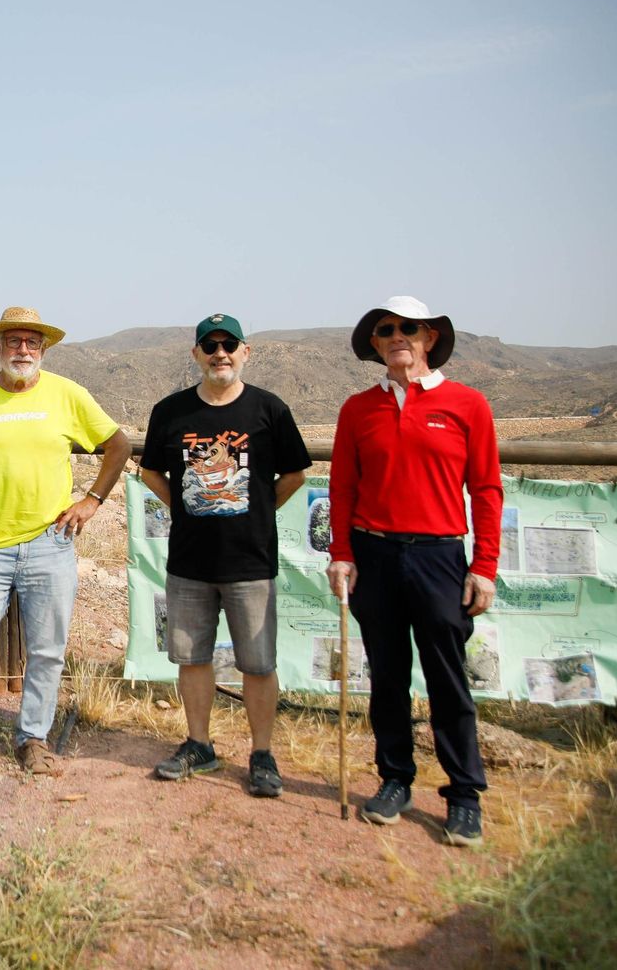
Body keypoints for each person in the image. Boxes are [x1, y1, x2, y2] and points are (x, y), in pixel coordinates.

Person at [0, 307, 132, 785]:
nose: (23, 350)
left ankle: (32, 739)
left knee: (47, 651)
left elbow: (117, 444)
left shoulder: (66, 394)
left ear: (42, 350)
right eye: (14, 341)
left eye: (32, 342)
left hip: (50, 543)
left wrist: (92, 500)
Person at [326, 296, 501, 847]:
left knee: (448, 679)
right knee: (388, 677)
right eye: (386, 329)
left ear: (429, 338)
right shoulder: (358, 409)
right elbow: (344, 488)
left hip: (439, 557)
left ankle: (464, 796)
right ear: (375, 344)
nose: (397, 335)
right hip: (374, 555)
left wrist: (486, 565)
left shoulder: (467, 404)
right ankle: (395, 779)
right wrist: (341, 552)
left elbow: (487, 489)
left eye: (409, 328)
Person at [139, 314, 311, 795]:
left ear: (245, 351)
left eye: (229, 344)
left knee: (257, 662)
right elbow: (150, 471)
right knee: (192, 659)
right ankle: (199, 745)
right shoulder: (169, 412)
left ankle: (262, 754)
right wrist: (186, 506)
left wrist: (257, 509)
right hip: (189, 562)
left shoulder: (269, 410)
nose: (220, 353)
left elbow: (295, 473)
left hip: (250, 562)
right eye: (209, 345)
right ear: (196, 354)